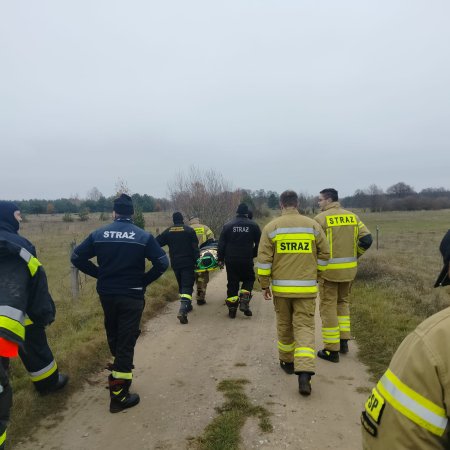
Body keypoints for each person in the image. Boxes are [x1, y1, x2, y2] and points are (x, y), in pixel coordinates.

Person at [71, 194, 169, 413]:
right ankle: (119, 396)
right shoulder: (142, 236)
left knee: (114, 333)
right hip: (132, 294)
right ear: (132, 213)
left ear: (114, 212)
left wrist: (99, 274)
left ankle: (119, 369)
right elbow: (163, 263)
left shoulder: (99, 234)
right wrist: (143, 281)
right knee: (126, 339)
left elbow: (76, 257)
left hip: (107, 293)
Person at [361, 230, 450, 449]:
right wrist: (354, 256)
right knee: (335, 310)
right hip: (342, 273)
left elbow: (391, 438)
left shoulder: (434, 341)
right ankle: (339, 344)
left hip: (319, 277)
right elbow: (367, 239)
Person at [0, 202, 62, 449]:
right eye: (18, 214)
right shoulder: (21, 246)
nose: (21, 218)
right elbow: (37, 286)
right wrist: (43, 315)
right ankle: (48, 384)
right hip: (7, 326)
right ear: (7, 216)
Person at [256, 191, 330, 396]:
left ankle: (287, 362)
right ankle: (304, 372)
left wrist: (264, 285)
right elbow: (325, 253)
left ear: (281, 204)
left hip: (281, 290)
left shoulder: (272, 228)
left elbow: (263, 261)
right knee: (305, 327)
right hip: (306, 289)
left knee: (284, 324)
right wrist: (317, 273)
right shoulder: (312, 226)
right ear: (297, 204)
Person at [314, 188, 372, 362]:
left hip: (329, 272)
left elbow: (313, 245)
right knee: (343, 303)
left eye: (320, 200)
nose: (319, 203)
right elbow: (367, 239)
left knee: (328, 307)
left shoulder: (321, 219)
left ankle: (332, 350)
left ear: (329, 200)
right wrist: (355, 255)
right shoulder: (353, 217)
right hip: (349, 270)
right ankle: (344, 341)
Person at [217, 203, 261, 318]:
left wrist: (220, 259)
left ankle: (232, 310)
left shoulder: (228, 225)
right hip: (246, 258)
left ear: (237, 212)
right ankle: (244, 301)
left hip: (231, 259)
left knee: (232, 282)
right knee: (249, 279)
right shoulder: (254, 225)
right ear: (247, 213)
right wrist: (254, 253)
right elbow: (260, 243)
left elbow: (221, 244)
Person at [156, 212, 199, 324]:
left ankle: (187, 305)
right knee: (187, 285)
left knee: (181, 285)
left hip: (175, 263)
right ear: (182, 220)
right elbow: (195, 248)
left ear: (173, 220)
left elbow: (157, 243)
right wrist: (197, 261)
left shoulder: (168, 231)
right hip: (188, 263)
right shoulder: (189, 230)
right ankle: (183, 310)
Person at [188, 215, 215, 305]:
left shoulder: (187, 228)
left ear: (190, 221)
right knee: (201, 278)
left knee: (189, 278)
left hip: (189, 257)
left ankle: (186, 299)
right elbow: (212, 239)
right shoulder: (205, 227)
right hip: (202, 256)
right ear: (198, 221)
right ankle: (200, 298)